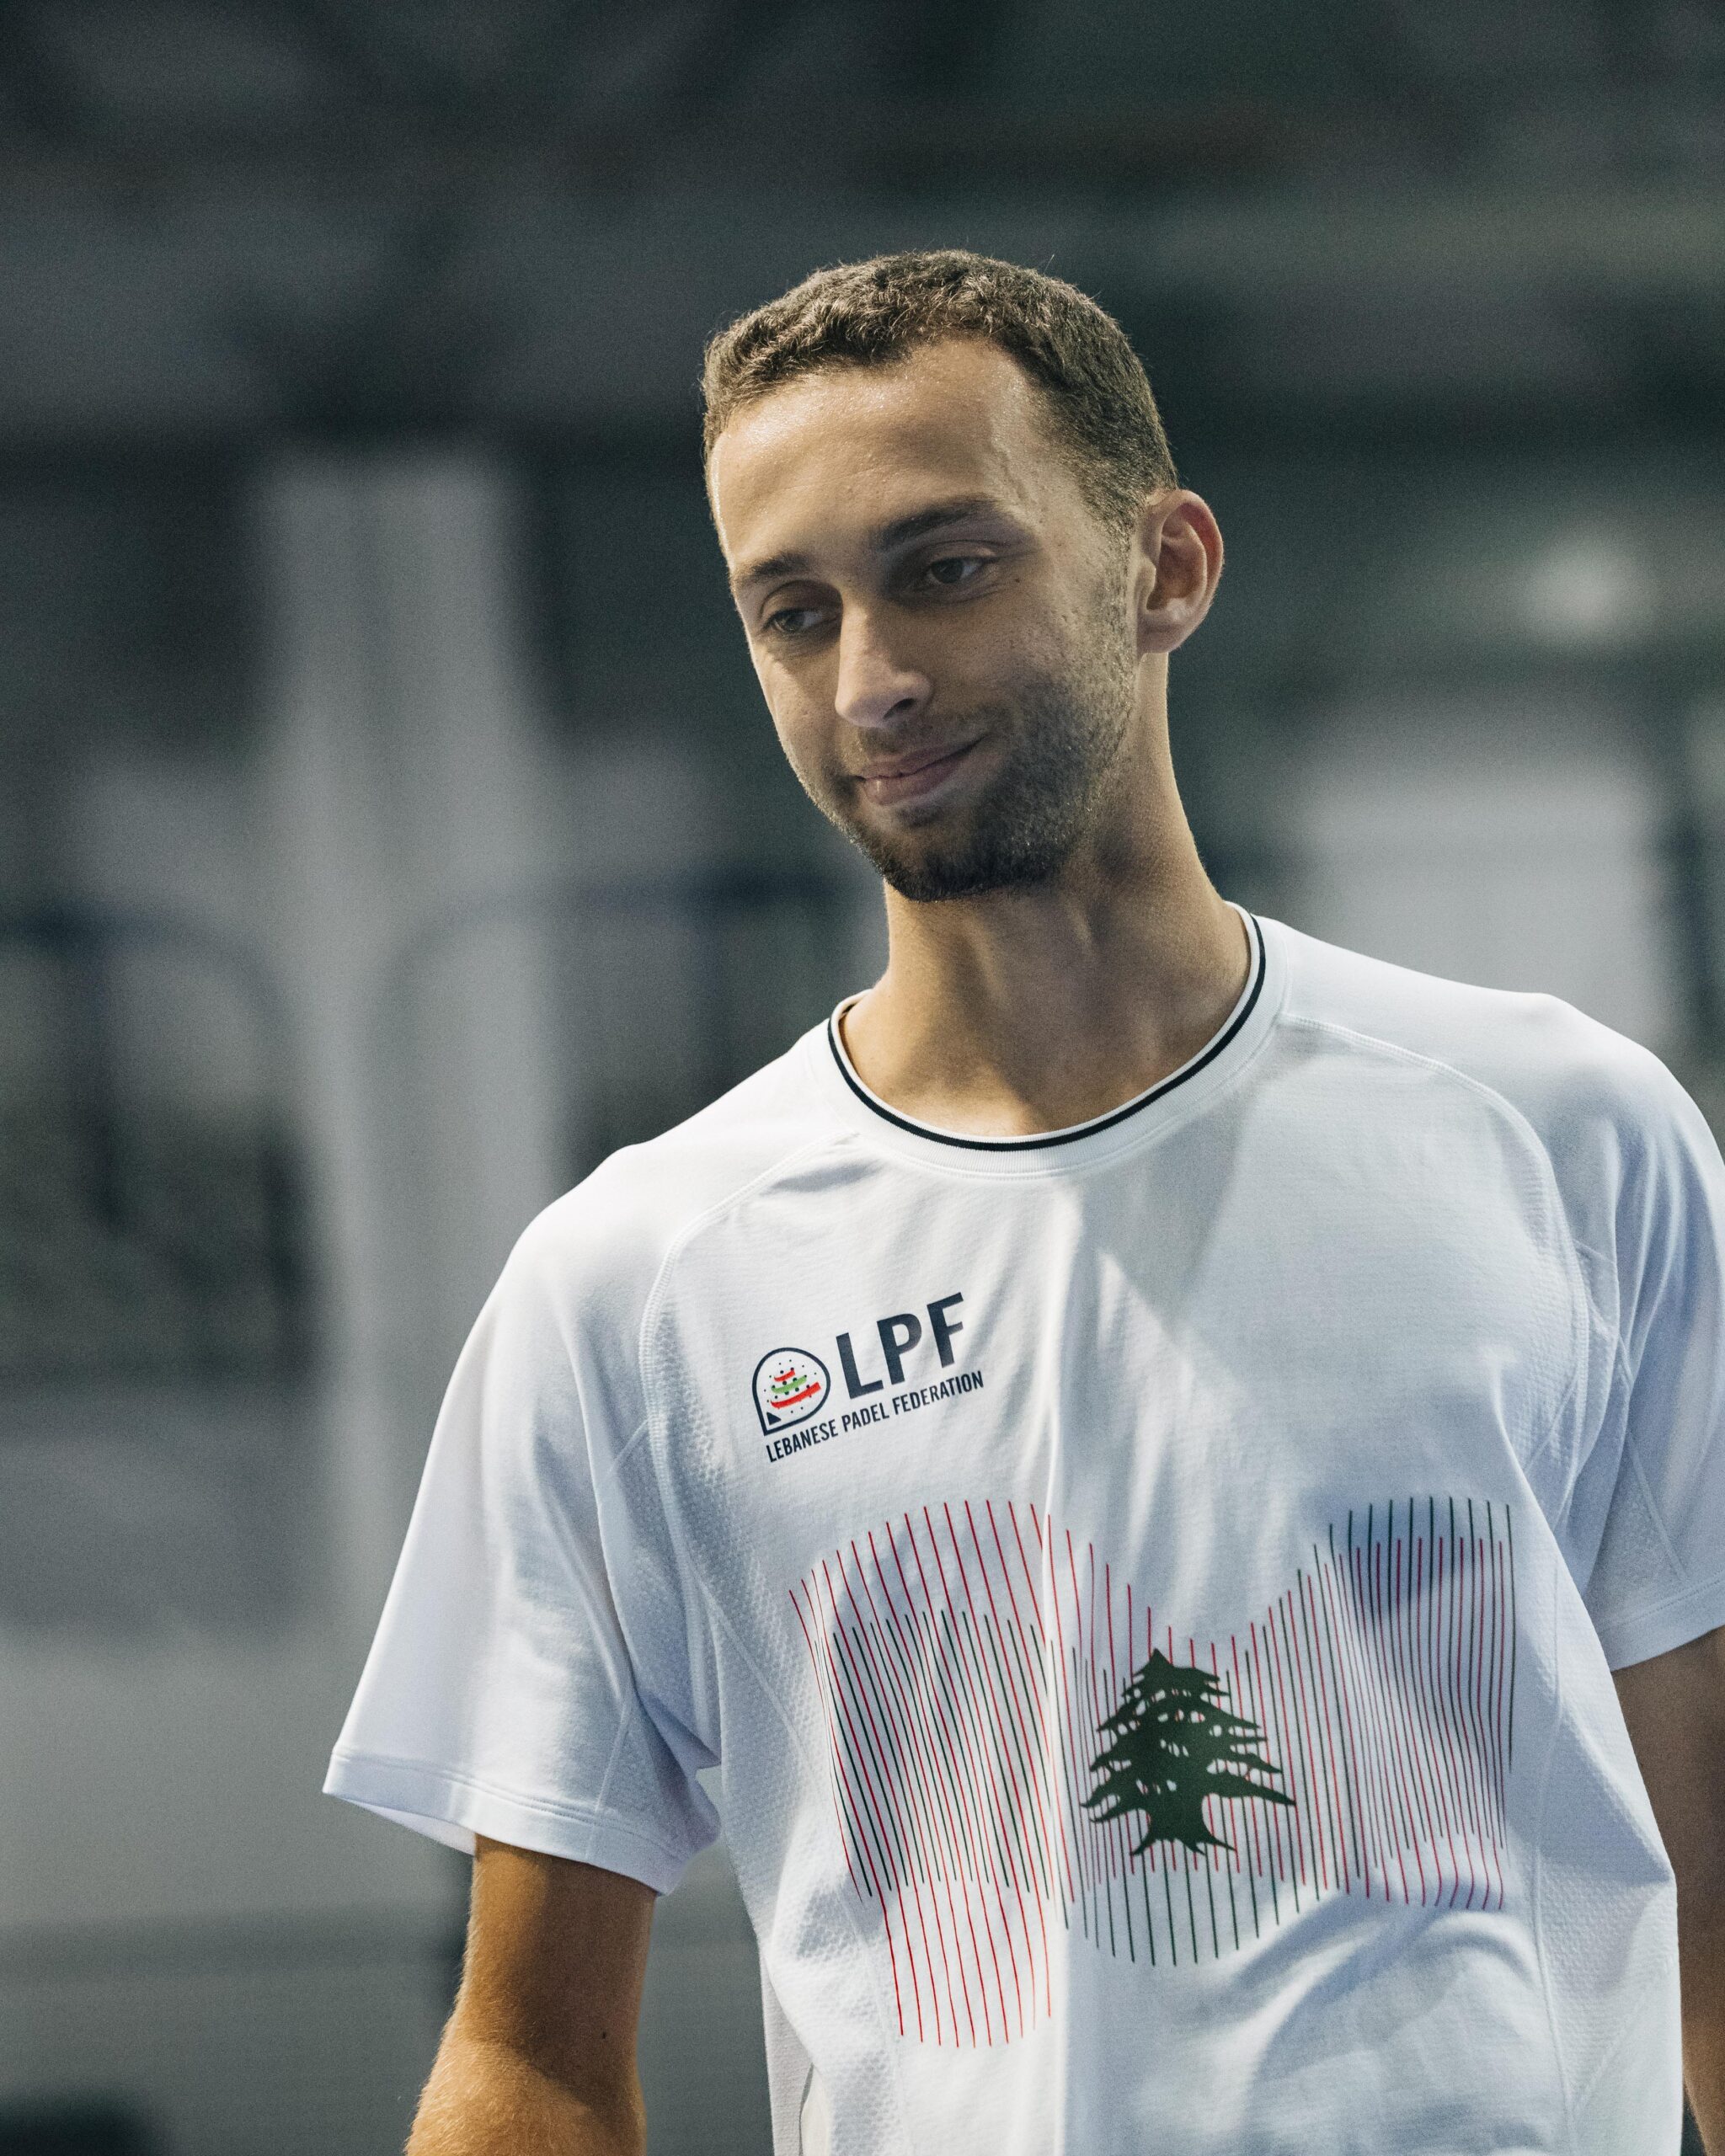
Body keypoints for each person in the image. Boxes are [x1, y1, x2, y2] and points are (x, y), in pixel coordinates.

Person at [326, 251, 1725, 2155]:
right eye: (792, 612)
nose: (870, 679)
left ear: (1165, 568)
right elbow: (531, 2060)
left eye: (945, 569)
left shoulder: (1563, 1132)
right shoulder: (637, 1284)